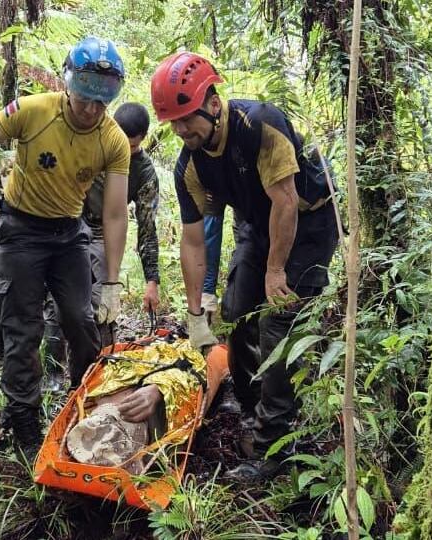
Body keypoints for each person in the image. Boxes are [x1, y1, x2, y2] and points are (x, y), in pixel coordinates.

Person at [0, 36, 131, 454]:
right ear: (68, 85)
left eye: (100, 102)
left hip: (70, 235)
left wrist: (111, 283)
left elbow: (114, 214)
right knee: (22, 331)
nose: (91, 110)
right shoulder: (34, 111)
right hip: (20, 231)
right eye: (84, 98)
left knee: (80, 321)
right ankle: (24, 427)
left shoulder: (113, 139)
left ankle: (82, 405)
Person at [151, 51, 339, 481]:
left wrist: (276, 272)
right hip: (258, 224)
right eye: (173, 123)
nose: (181, 130)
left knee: (277, 320)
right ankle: (252, 403)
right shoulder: (190, 166)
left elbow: (287, 203)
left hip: (307, 223)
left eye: (186, 119)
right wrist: (196, 311)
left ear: (213, 104)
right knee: (235, 313)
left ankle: (275, 444)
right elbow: (194, 239)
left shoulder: (260, 127)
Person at [43, 102, 162, 366]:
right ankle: (51, 374)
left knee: (101, 306)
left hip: (102, 233)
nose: (122, 150)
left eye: (130, 146)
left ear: (142, 140)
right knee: (56, 302)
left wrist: (151, 280)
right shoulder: (90, 142)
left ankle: (97, 370)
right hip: (69, 222)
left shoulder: (144, 172)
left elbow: (147, 227)